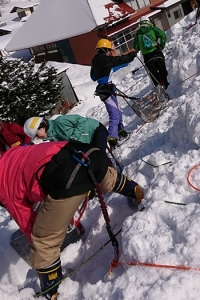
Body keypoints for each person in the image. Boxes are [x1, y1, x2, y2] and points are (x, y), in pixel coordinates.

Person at [0, 141, 144, 299]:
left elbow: (31, 226)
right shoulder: (10, 156)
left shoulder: (3, 188)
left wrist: (47, 232)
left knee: (43, 241)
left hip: (66, 176)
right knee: (105, 178)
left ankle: (53, 292)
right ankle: (138, 193)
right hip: (85, 153)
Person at [90, 38, 137, 150]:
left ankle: (121, 132)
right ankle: (112, 139)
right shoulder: (105, 61)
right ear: (106, 50)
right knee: (114, 115)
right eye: (110, 50)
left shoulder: (97, 62)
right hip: (106, 92)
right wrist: (132, 55)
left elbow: (93, 76)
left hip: (107, 90)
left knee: (118, 112)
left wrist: (126, 62)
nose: (111, 51)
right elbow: (118, 60)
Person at [24, 114, 108, 153]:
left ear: (41, 127)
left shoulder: (60, 121)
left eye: (36, 135)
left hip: (95, 129)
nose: (38, 138)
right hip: (87, 140)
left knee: (100, 156)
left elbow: (81, 120)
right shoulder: (52, 137)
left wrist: (75, 136)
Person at [133, 16, 169, 90]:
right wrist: (161, 45)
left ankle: (159, 89)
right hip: (157, 52)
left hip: (147, 57)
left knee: (153, 74)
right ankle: (166, 83)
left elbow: (136, 47)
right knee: (162, 69)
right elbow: (163, 35)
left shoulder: (137, 34)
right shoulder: (153, 29)